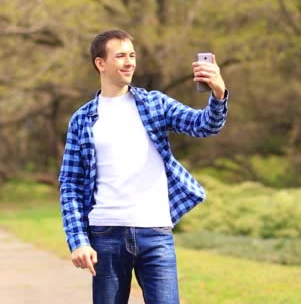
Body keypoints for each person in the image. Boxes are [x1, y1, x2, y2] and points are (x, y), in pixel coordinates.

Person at [58, 29, 229, 304]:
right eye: (120, 56)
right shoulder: (83, 119)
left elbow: (204, 126)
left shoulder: (154, 104)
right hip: (105, 234)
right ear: (100, 63)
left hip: (156, 232)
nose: (129, 62)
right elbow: (70, 184)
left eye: (132, 55)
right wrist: (78, 239)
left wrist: (219, 93)